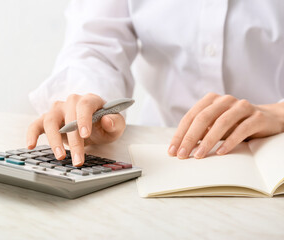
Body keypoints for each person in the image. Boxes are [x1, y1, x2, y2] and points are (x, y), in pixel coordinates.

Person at [26, 0, 284, 167]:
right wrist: (90, 102)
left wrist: (279, 113)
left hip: (274, 152)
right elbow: (96, 43)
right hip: (164, 152)